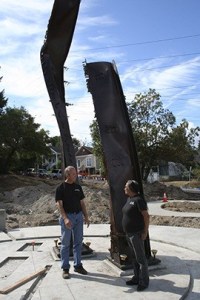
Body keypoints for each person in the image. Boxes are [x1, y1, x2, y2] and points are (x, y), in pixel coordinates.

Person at [55, 166, 90, 279]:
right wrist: (65, 218)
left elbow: (82, 203)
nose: (76, 175)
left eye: (76, 173)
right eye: (74, 174)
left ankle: (78, 265)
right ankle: (65, 268)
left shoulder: (78, 187)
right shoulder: (61, 188)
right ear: (67, 175)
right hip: (68, 217)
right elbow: (59, 205)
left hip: (78, 216)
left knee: (78, 242)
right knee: (65, 244)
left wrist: (86, 216)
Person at [122, 180, 149, 291]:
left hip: (136, 234)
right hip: (129, 234)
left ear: (131, 188)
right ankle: (136, 277)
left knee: (141, 259)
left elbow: (146, 216)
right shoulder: (129, 199)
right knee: (134, 258)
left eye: (126, 186)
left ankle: (144, 282)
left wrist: (145, 232)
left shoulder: (139, 200)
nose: (124, 188)